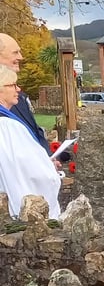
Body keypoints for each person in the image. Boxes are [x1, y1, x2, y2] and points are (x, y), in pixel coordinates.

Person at [0, 65, 60, 218]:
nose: (18, 89)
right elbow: (37, 174)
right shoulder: (9, 127)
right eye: (13, 85)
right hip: (17, 206)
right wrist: (50, 167)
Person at [0, 34, 49, 153]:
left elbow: (35, 131)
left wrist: (47, 157)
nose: (21, 57)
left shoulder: (19, 96)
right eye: (15, 52)